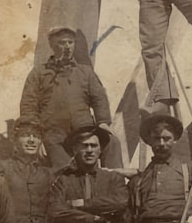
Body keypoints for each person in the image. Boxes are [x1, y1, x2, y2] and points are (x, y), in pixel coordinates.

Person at [20, 26, 122, 169]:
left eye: (70, 42)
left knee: (112, 142)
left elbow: (99, 98)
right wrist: (37, 137)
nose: (67, 47)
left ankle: (113, 185)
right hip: (54, 134)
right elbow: (28, 106)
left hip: (84, 129)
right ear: (52, 45)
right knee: (66, 171)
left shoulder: (85, 72)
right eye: (62, 43)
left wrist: (103, 122)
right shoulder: (38, 74)